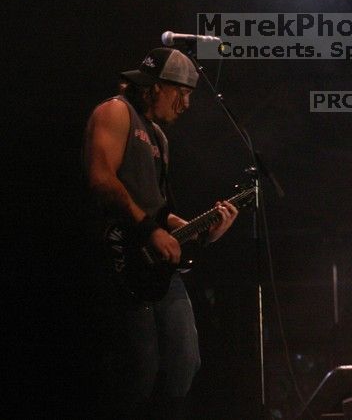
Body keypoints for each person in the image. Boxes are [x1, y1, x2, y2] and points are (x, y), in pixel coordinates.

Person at [83, 47, 238, 418]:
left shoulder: (159, 139)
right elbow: (101, 178)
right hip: (122, 258)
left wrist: (197, 230)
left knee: (184, 364)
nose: (184, 105)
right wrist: (149, 230)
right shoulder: (116, 111)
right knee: (139, 369)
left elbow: (160, 210)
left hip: (157, 266)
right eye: (180, 93)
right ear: (155, 87)